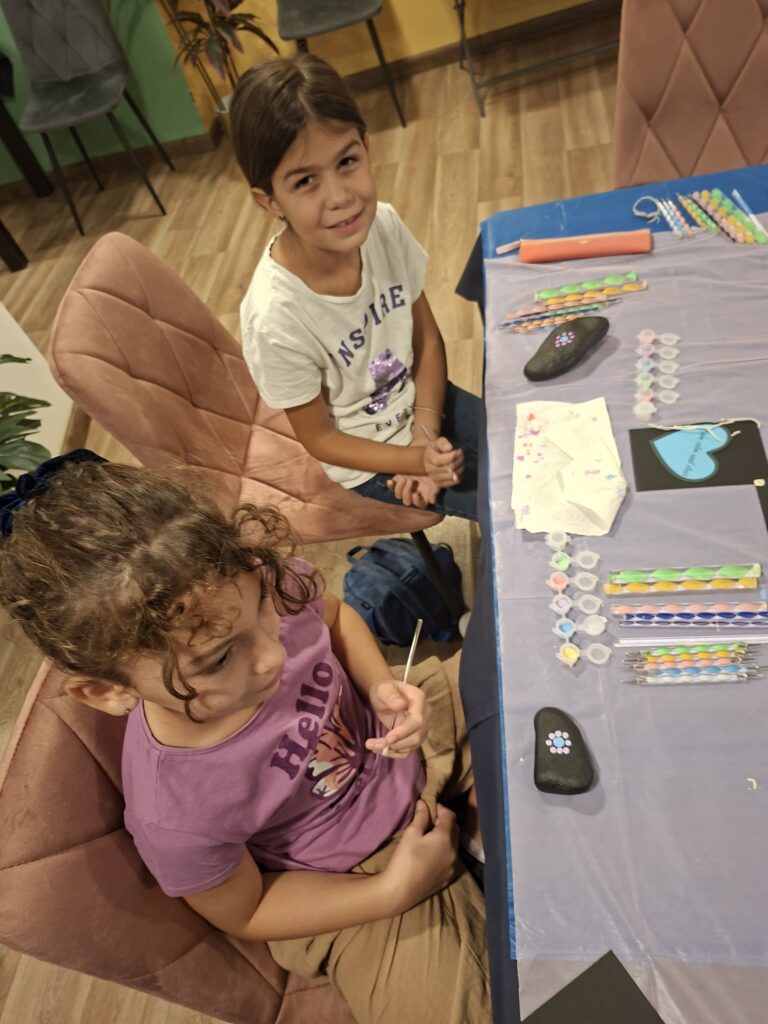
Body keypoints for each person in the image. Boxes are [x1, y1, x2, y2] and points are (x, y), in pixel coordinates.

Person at [0, 452, 489, 1023]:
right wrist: (394, 893)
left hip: (404, 737)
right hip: (352, 876)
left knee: (545, 694)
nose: (274, 655)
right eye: (218, 658)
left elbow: (333, 618)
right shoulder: (176, 811)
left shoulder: (261, 593)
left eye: (261, 605)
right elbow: (247, 910)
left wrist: (380, 686)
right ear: (107, 693)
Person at [230, 54, 480, 521]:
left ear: (366, 146)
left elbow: (426, 340)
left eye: (347, 161)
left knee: (528, 450)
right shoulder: (274, 318)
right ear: (269, 201)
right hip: (367, 457)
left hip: (425, 406)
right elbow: (321, 439)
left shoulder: (383, 225)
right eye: (305, 181)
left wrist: (424, 435)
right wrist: (415, 461)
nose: (341, 196)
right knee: (509, 504)